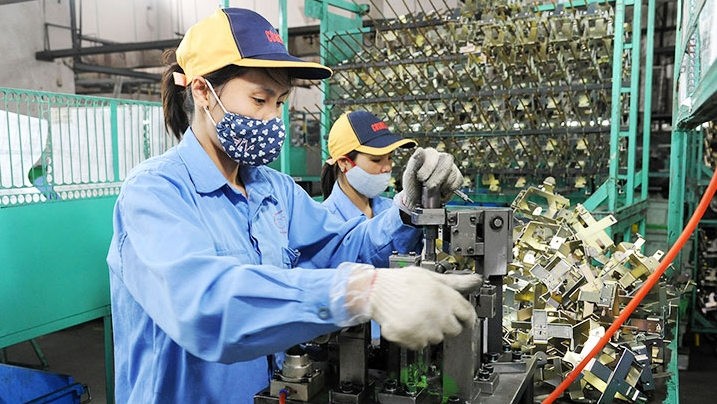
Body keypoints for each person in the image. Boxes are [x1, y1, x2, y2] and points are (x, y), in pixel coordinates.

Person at [106, 7, 474, 403]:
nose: (272, 119)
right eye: (259, 98)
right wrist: (356, 292)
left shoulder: (275, 190)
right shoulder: (155, 192)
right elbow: (205, 305)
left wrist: (407, 207)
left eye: (280, 101)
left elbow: (342, 246)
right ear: (201, 91)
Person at [321, 110, 423, 261]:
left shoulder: (393, 208)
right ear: (344, 163)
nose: (387, 167)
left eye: (389, 158)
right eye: (376, 160)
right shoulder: (325, 221)